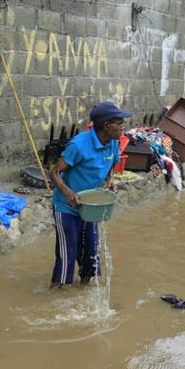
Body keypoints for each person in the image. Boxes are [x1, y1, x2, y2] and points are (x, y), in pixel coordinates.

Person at [49, 101, 130, 288]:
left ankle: (82, 291)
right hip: (67, 207)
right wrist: (69, 194)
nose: (122, 127)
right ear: (106, 125)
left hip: (90, 206)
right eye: (119, 123)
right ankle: (55, 295)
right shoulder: (79, 146)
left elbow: (110, 167)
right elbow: (54, 172)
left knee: (91, 254)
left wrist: (108, 183)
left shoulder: (113, 143)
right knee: (67, 254)